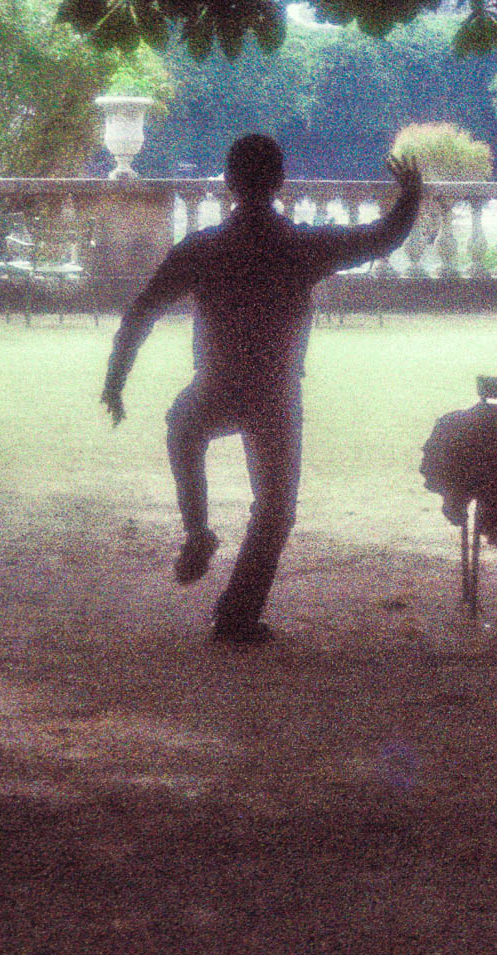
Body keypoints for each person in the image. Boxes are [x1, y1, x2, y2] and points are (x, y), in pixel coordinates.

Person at [101, 135, 422, 646]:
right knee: (273, 509)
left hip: (218, 387)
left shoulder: (203, 248)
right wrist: (410, 194)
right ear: (278, 183)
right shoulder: (300, 246)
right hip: (273, 394)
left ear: (229, 183)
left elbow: (142, 312)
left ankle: (197, 529)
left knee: (182, 427)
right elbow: (381, 238)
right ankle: (236, 614)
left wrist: (116, 380)